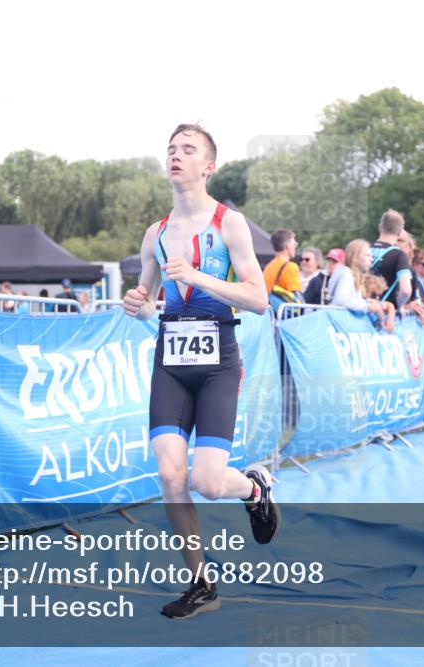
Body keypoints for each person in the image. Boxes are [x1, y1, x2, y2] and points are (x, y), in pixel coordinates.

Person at [122, 123, 280, 619]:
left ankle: (254, 489)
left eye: (188, 150)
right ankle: (201, 584)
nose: (176, 156)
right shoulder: (156, 233)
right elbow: (148, 300)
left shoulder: (229, 224)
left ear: (207, 166)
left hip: (216, 363)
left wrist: (199, 277)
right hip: (171, 361)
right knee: (171, 476)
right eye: (171, 149)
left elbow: (258, 298)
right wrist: (137, 303)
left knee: (208, 481)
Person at [370, 210, 412, 309]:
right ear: (400, 232)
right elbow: (406, 291)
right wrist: (396, 305)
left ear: (380, 227)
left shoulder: (364, 249)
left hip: (362, 309)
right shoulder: (399, 255)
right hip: (384, 311)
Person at [263, 229, 301, 297]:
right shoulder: (290, 267)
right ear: (288, 246)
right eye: (294, 244)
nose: (295, 247)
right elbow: (297, 297)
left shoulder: (268, 266)